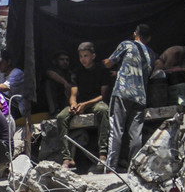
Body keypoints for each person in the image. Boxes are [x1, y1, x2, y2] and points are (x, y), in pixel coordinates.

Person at [103, 24, 154, 171]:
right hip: (140, 97)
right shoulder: (151, 54)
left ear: (135, 34)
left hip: (122, 93)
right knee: (136, 134)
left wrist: (104, 63)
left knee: (116, 130)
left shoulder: (127, 44)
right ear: (149, 38)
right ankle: (134, 169)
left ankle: (110, 168)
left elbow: (109, 63)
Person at [57, 42, 112, 170]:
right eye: (81, 56)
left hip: (95, 103)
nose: (83, 59)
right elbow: (73, 93)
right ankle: (67, 158)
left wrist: (86, 104)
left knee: (103, 110)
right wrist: (73, 105)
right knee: (61, 117)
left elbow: (103, 95)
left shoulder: (101, 70)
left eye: (86, 56)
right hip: (81, 103)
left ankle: (103, 153)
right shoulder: (76, 72)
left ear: (93, 56)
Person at [0, 49, 27, 119]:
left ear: (8, 62)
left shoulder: (17, 73)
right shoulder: (2, 74)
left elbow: (5, 87)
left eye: (0, 63)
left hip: (18, 107)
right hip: (8, 105)